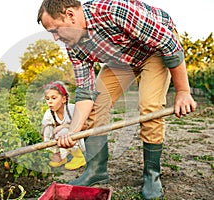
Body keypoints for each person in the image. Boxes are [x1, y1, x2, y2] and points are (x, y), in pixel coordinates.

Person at [37, 0, 197, 199]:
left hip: (153, 51)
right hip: (122, 60)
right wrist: (73, 130)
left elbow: (169, 44)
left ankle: (152, 175)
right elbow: (86, 93)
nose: (55, 38)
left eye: (56, 30)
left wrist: (183, 91)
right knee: (95, 105)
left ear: (70, 15)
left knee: (150, 106)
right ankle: (96, 171)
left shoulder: (114, 11)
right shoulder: (74, 45)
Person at [41, 81, 86, 170]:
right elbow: (43, 134)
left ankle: (79, 157)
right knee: (47, 129)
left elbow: (85, 125)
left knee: (63, 131)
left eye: (54, 98)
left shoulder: (72, 109)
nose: (50, 101)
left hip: (79, 138)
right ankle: (59, 156)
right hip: (62, 140)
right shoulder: (49, 114)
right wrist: (50, 145)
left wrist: (65, 127)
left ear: (63, 99)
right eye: (47, 98)